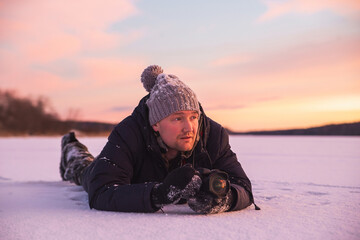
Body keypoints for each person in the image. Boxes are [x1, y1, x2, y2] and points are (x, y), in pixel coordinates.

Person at [60, 65, 259, 214]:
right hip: (124, 178)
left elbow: (243, 187)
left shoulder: (213, 135)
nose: (189, 127)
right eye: (177, 118)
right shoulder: (129, 133)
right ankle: (72, 150)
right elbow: (101, 191)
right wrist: (158, 194)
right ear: (156, 124)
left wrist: (224, 199)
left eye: (193, 117)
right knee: (85, 170)